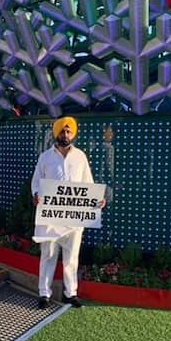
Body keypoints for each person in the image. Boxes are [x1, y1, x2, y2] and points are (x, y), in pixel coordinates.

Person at [31, 116, 103, 309]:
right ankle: (44, 294)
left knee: (72, 257)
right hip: (51, 218)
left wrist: (97, 200)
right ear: (57, 133)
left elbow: (88, 184)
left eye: (69, 131)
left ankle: (70, 293)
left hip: (73, 218)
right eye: (62, 131)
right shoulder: (45, 157)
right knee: (48, 254)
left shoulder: (80, 156)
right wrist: (36, 195)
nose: (65, 134)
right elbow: (36, 182)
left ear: (73, 134)